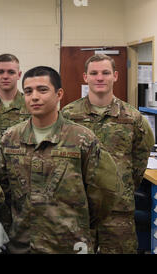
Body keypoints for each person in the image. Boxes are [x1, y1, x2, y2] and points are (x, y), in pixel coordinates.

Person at [0, 66, 123, 253]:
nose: (34, 97)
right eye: (28, 91)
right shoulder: (10, 138)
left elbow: (105, 194)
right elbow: (0, 190)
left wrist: (78, 224)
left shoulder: (82, 139)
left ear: (59, 94)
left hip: (69, 245)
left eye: (42, 90)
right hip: (22, 244)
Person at [61, 54, 154, 253]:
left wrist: (122, 185)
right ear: (85, 77)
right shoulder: (69, 115)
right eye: (94, 73)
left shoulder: (133, 118)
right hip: (78, 209)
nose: (100, 77)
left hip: (118, 211)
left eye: (105, 73)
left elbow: (139, 161)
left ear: (115, 76)